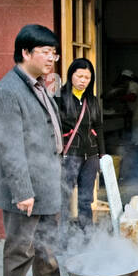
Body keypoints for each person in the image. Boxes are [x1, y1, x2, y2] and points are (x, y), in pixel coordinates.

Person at [0, 24, 80, 276]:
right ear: (25, 52)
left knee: (46, 245)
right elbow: (10, 148)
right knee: (20, 251)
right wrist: (22, 191)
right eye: (45, 52)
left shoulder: (37, 84)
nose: (52, 58)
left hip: (46, 181)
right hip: (25, 188)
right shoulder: (8, 92)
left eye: (54, 52)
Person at [56, 57, 104, 233]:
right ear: (71, 75)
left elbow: (98, 127)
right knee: (64, 196)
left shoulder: (92, 100)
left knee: (85, 199)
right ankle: (62, 234)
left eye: (87, 77)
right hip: (70, 155)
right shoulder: (60, 97)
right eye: (79, 76)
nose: (83, 81)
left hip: (90, 156)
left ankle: (87, 233)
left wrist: (102, 154)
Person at [108, 69, 138, 146]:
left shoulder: (132, 85)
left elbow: (133, 97)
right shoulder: (134, 84)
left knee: (137, 140)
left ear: (125, 78)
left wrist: (120, 98)